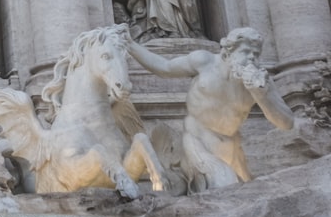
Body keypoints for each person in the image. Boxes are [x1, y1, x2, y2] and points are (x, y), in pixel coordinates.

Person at [126, 28, 296, 190]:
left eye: (256, 54)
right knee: (225, 184)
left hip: (231, 146)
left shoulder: (261, 81)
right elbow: (164, 67)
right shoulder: (204, 62)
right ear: (228, 52)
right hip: (197, 140)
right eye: (246, 52)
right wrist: (130, 44)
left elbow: (286, 123)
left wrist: (261, 95)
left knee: (246, 191)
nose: (252, 58)